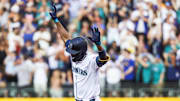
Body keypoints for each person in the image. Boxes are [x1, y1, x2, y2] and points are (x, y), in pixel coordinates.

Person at [49, 2, 110, 101]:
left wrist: (98, 44)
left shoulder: (91, 60)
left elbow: (103, 58)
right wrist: (56, 20)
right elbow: (65, 37)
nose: (71, 54)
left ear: (80, 52)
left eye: (73, 52)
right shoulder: (75, 53)